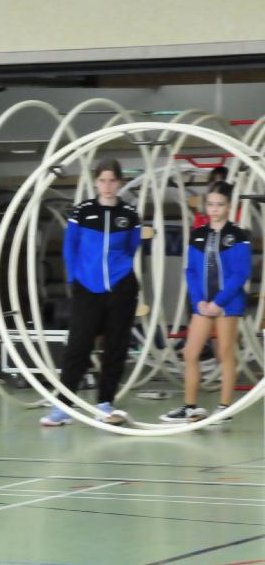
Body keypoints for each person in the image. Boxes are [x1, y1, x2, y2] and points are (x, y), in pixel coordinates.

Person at [40, 160, 141, 427]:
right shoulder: (82, 211)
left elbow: (132, 248)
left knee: (116, 347)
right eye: (102, 180)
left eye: (112, 180)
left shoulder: (129, 214)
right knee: (78, 345)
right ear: (96, 182)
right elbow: (70, 247)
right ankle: (63, 406)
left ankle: (105, 403)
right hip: (86, 288)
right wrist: (74, 279)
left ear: (120, 183)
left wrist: (118, 274)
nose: (107, 186)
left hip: (121, 288)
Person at [160, 182, 251, 423]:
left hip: (227, 304)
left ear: (229, 207)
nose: (214, 209)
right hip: (203, 304)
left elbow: (240, 273)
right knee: (190, 353)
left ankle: (224, 409)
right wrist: (199, 301)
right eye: (210, 204)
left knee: (225, 354)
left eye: (220, 205)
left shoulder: (239, 236)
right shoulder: (198, 234)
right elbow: (190, 270)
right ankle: (190, 407)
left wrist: (218, 302)